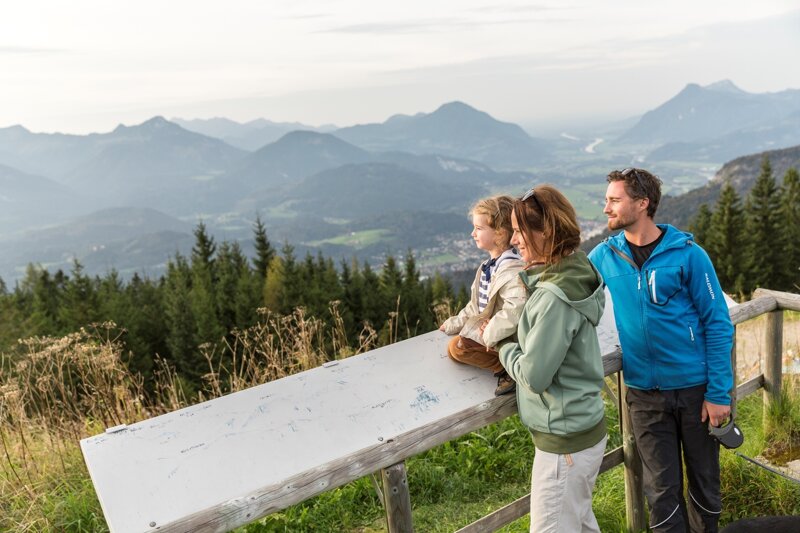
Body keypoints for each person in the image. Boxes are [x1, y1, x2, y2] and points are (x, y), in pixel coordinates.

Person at [588, 168, 734, 533]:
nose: (606, 207)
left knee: (704, 486)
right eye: (606, 199)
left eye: (614, 200)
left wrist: (718, 393)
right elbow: (570, 294)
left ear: (642, 203)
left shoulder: (689, 255)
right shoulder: (604, 257)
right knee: (661, 494)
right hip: (644, 395)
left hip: (696, 392)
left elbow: (717, 323)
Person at [498, 185, 607, 532]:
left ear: (545, 231)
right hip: (584, 428)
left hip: (564, 446)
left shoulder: (554, 299)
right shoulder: (577, 268)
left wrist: (502, 345)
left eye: (518, 230)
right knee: (580, 522)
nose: (513, 239)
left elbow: (534, 375)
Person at [440, 195, 527, 396]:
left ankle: (508, 368)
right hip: (492, 333)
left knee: (458, 348)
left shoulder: (512, 270)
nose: (473, 233)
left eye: (479, 228)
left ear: (500, 233)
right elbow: (476, 305)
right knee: (456, 348)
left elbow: (515, 310)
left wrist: (490, 333)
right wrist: (455, 323)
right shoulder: (488, 268)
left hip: (506, 338)